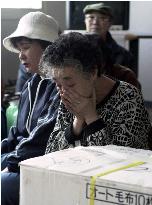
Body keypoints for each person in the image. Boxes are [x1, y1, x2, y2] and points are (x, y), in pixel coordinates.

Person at [38, 32, 151, 154]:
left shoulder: (128, 98)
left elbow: (118, 160)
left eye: (70, 84)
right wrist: (78, 121)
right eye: (57, 83)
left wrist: (91, 116)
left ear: (92, 73)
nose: (63, 91)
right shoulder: (68, 96)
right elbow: (50, 153)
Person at [1, 11, 60, 205]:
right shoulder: (30, 85)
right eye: (19, 49)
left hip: (40, 163)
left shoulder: (61, 86)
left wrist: (9, 164)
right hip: (20, 157)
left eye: (25, 47)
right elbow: (17, 133)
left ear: (48, 49)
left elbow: (40, 141)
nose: (20, 55)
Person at [83, 3, 136, 74]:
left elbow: (130, 84)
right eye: (91, 17)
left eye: (102, 18)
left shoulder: (125, 56)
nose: (95, 22)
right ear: (85, 21)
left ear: (110, 23)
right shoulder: (72, 50)